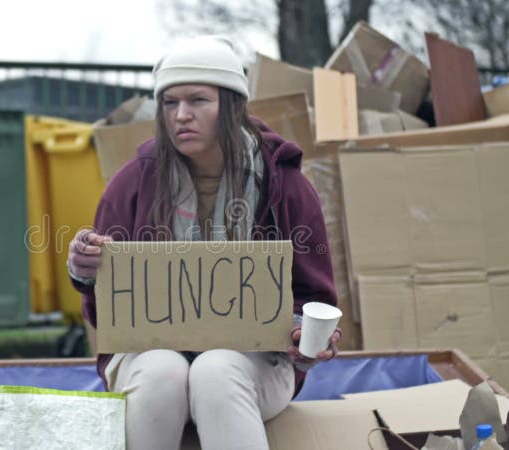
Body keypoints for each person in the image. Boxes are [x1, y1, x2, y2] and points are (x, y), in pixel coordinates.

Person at [67, 35, 341, 450]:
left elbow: (313, 296)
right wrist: (86, 272)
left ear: (232, 106)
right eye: (169, 102)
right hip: (147, 357)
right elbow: (105, 313)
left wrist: (306, 336)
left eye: (198, 100)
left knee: (215, 370)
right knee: (161, 371)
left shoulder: (284, 185)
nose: (181, 115)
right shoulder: (134, 182)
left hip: (256, 362)